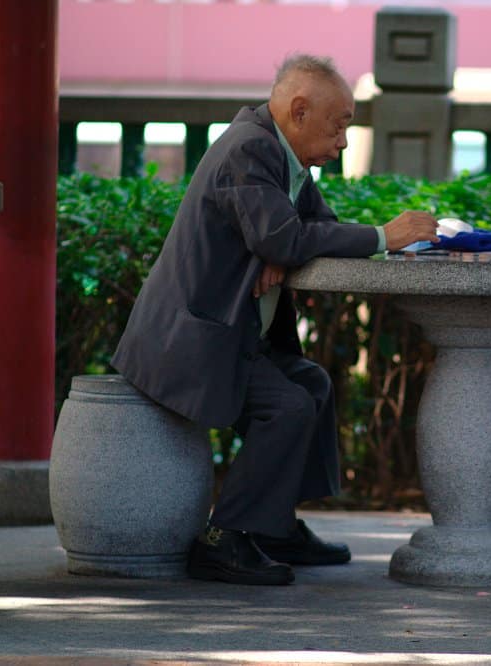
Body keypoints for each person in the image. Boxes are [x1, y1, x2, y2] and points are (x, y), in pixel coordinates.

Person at [111, 54, 439, 586]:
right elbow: (284, 235)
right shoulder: (250, 149)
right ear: (300, 110)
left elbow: (311, 227)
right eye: (339, 126)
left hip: (232, 334)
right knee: (286, 406)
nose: (344, 143)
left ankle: (275, 524)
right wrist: (382, 236)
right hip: (194, 340)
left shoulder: (284, 157)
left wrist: (278, 251)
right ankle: (226, 538)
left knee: (312, 383)